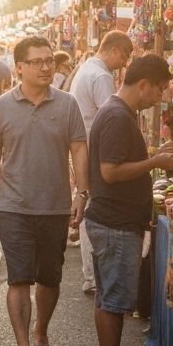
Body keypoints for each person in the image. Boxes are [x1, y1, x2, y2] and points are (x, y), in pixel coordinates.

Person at [0, 36, 88, 346]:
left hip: (55, 206)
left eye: (49, 60)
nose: (45, 67)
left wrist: (82, 193)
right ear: (19, 67)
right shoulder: (1, 107)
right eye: (37, 61)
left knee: (50, 278)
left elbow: (79, 148)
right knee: (19, 278)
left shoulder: (67, 104)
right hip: (14, 206)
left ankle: (41, 332)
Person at [87, 55, 173, 346]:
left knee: (108, 297)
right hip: (115, 221)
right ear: (143, 84)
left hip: (113, 219)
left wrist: (155, 156)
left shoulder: (117, 113)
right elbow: (110, 172)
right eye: (158, 90)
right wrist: (155, 162)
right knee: (114, 299)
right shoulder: (117, 116)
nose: (158, 98)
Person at [69, 31, 134, 295]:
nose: (125, 63)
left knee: (85, 201)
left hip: (82, 146)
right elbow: (112, 116)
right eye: (126, 56)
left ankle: (90, 275)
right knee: (92, 205)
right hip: (93, 149)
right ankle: (93, 275)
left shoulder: (87, 68)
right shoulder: (102, 76)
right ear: (116, 50)